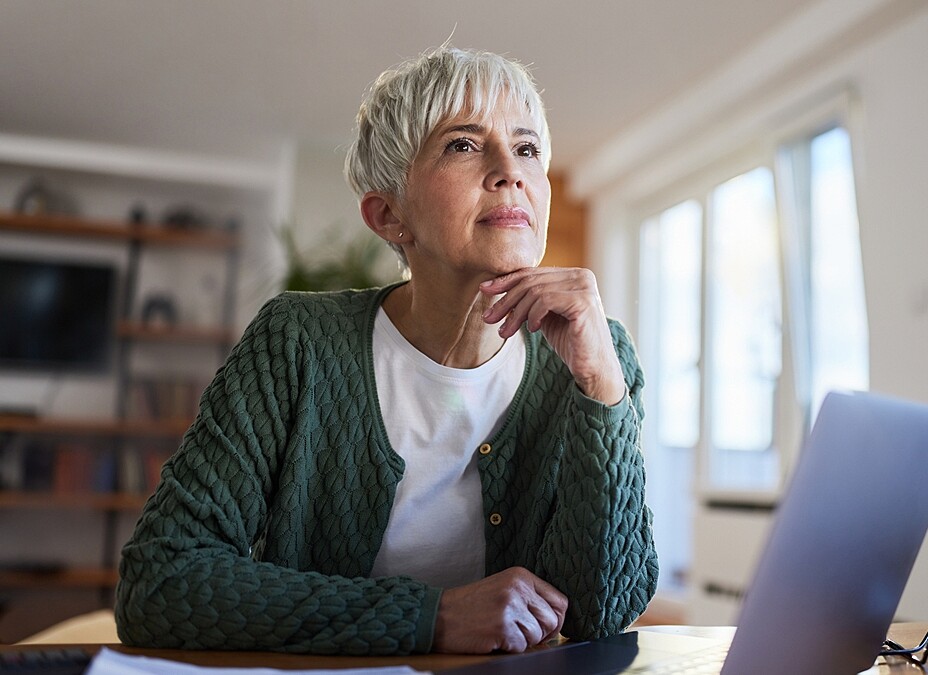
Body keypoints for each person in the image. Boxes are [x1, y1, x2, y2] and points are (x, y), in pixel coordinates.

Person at [114, 46, 658, 656]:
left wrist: (600, 389)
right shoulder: (297, 342)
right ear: (389, 214)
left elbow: (602, 613)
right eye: (464, 145)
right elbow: (159, 580)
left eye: (528, 149)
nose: (511, 170)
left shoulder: (600, 357)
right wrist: (435, 616)